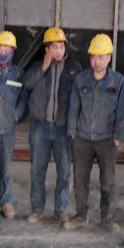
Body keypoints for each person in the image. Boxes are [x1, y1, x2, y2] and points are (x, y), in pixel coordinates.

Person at [64, 34, 124, 232]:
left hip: (107, 140)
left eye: (100, 57)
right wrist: (72, 132)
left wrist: (117, 137)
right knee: (80, 179)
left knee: (108, 181)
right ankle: (81, 215)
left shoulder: (118, 81)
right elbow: (73, 107)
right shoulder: (81, 79)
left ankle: (107, 217)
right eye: (93, 57)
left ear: (109, 57)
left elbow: (121, 111)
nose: (96, 61)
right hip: (82, 138)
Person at [23, 27, 82, 224]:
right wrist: (44, 66)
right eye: (54, 47)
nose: (58, 50)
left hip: (62, 127)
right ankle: (37, 209)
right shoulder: (37, 66)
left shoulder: (74, 68)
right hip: (39, 126)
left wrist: (74, 126)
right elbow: (27, 84)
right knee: (37, 170)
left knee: (64, 171)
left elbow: (79, 99)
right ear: (46, 49)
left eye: (61, 46)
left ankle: (61, 209)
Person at [0, 31, 28, 219]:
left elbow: (23, 99)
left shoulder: (19, 74)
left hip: (7, 129)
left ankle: (6, 202)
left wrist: (15, 116)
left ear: (13, 51)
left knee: (6, 168)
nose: (3, 52)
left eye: (7, 49)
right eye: (0, 48)